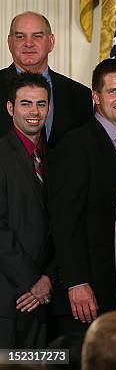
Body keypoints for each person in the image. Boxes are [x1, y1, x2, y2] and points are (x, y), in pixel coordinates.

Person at [48, 59, 116, 337]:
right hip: (85, 294)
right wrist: (76, 282)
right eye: (113, 91)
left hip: (114, 286)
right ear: (95, 96)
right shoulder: (77, 144)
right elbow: (64, 221)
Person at [0, 72, 53, 348]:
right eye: (26, 103)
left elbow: (64, 226)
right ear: (11, 108)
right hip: (10, 299)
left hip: (49, 299)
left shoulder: (57, 157)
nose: (34, 111)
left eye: (41, 104)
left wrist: (48, 279)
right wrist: (34, 281)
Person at [0, 11, 92, 147]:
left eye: (37, 36)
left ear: (51, 42)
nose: (28, 43)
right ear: (9, 42)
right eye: (20, 36)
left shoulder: (80, 95)